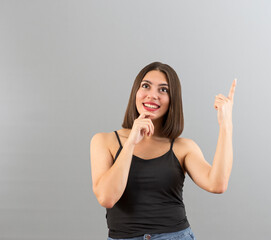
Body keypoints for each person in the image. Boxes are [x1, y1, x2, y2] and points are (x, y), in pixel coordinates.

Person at [90, 62, 236, 240]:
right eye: (146, 86)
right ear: (136, 91)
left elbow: (217, 184)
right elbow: (107, 197)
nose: (152, 96)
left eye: (163, 90)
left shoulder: (183, 147)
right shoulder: (104, 141)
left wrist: (226, 125)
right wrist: (131, 143)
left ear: (172, 99)